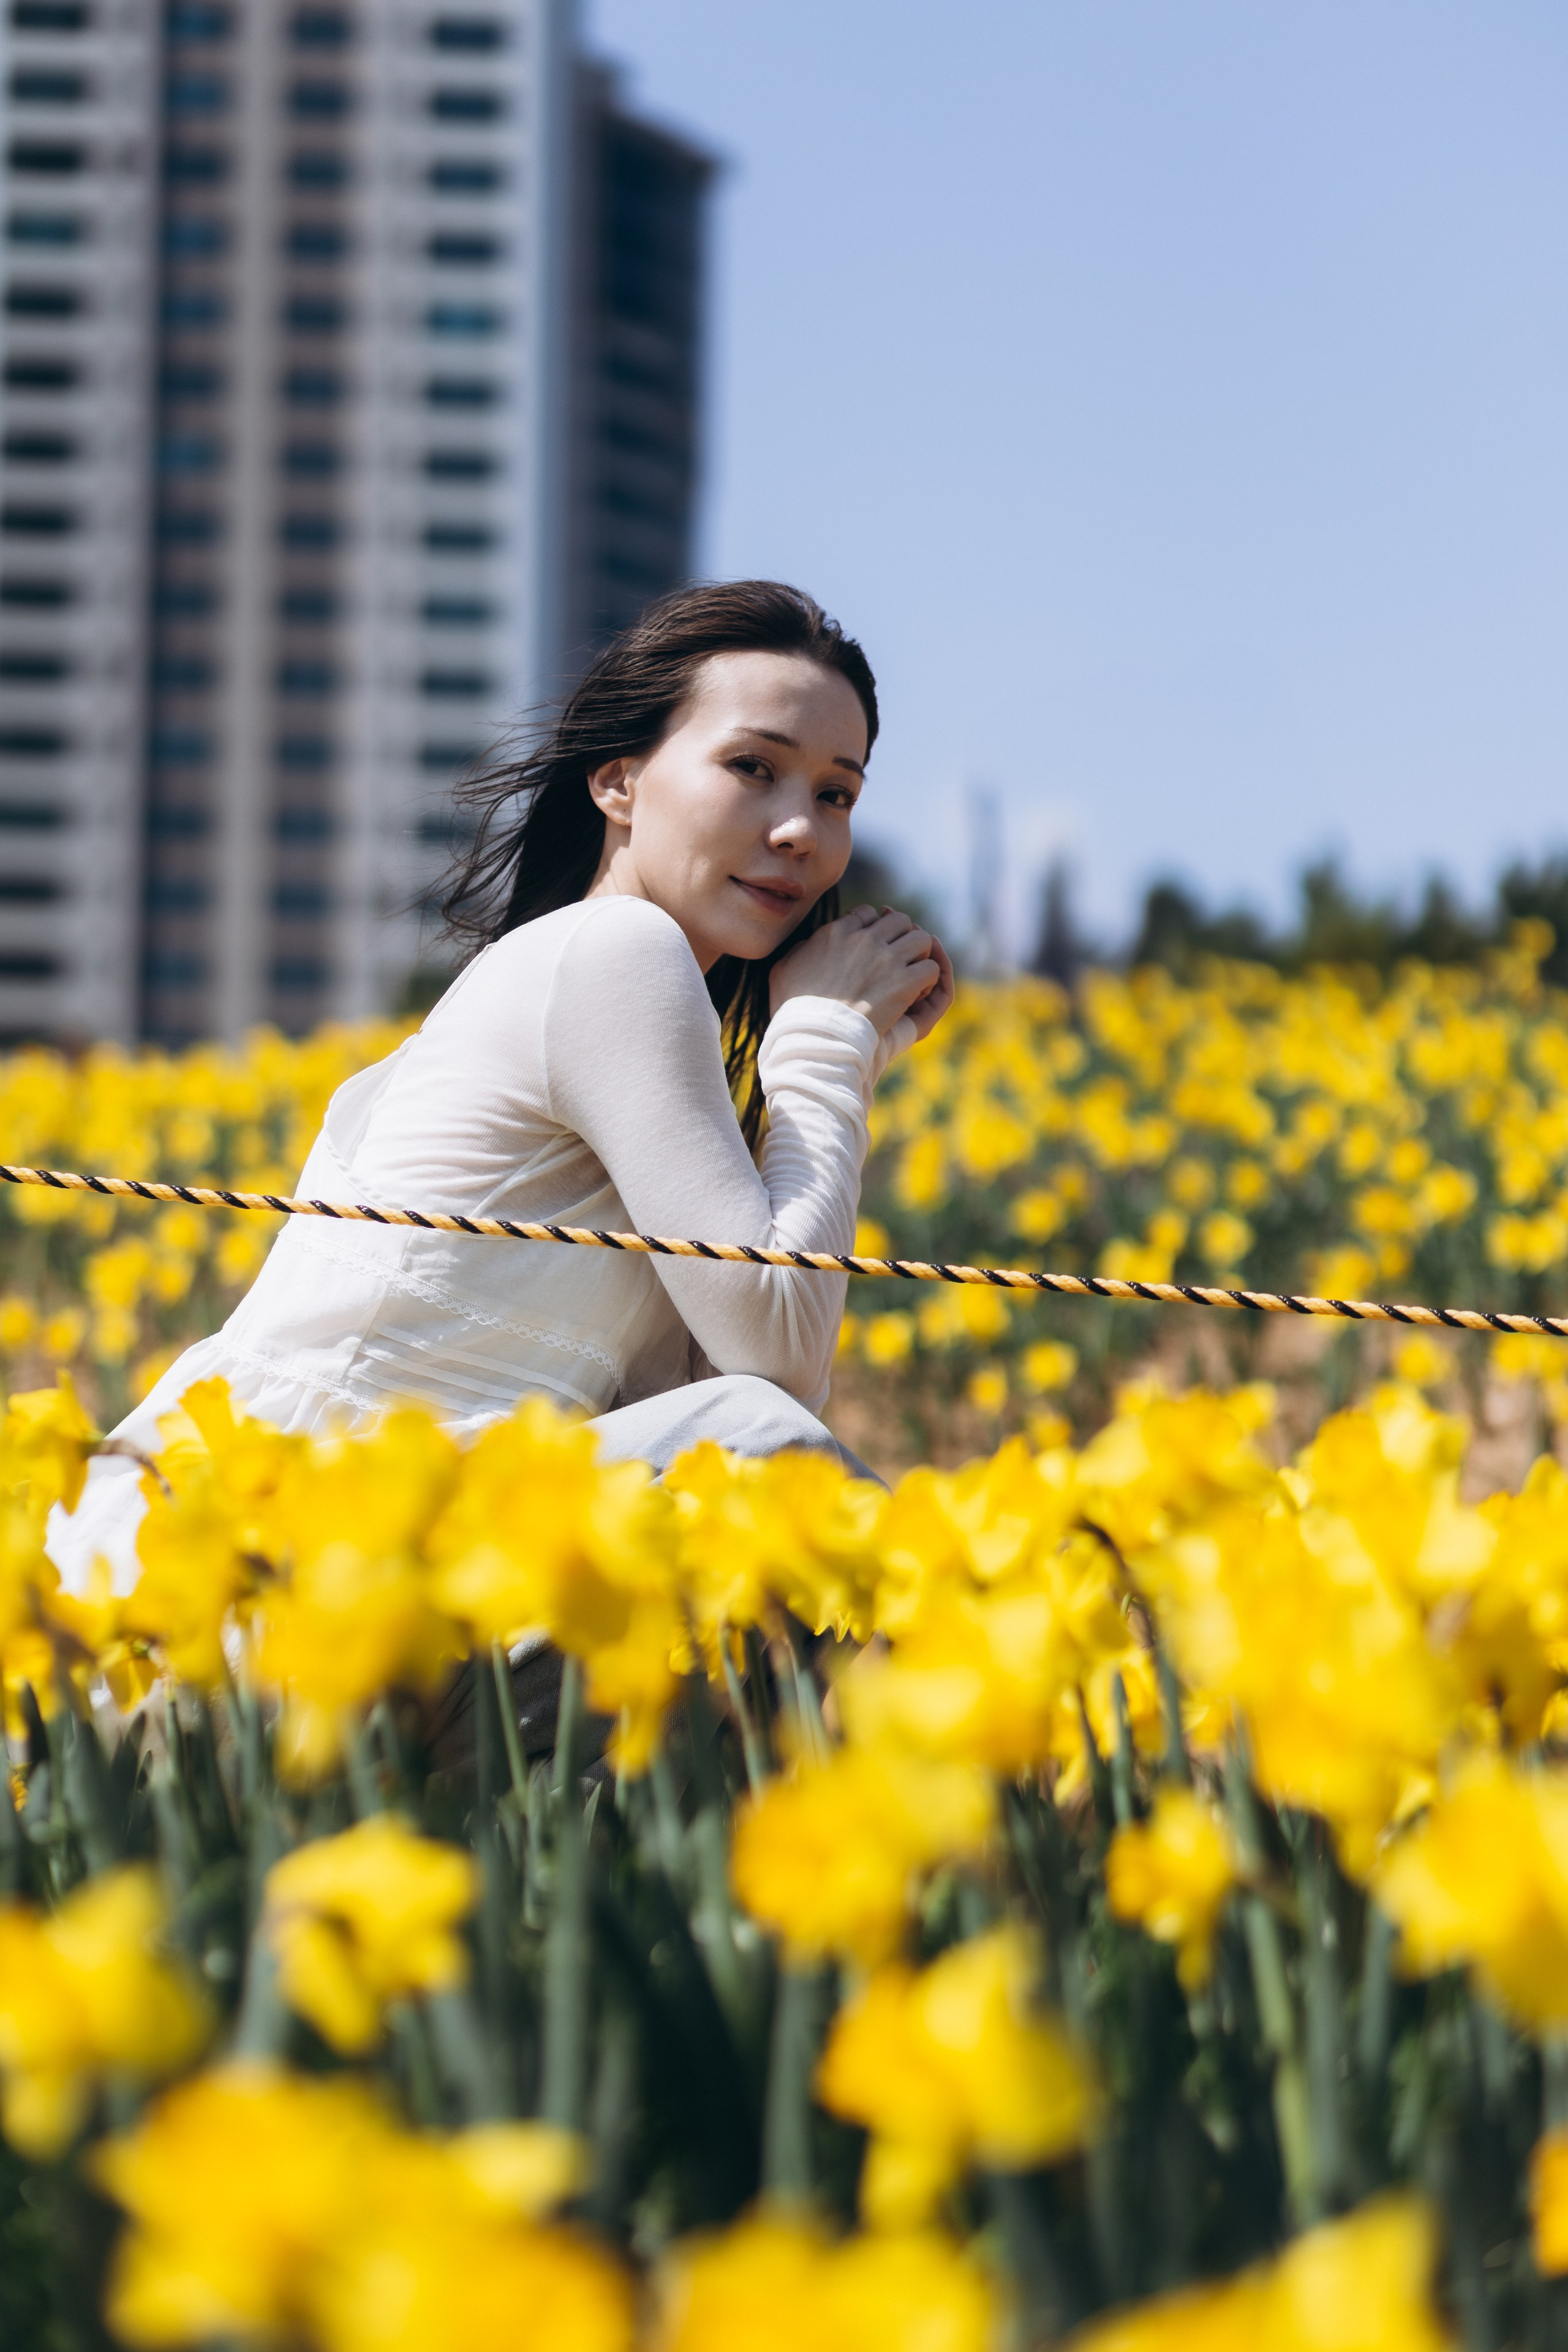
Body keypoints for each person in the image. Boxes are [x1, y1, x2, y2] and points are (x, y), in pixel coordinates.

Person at [50, 581, 954, 1593]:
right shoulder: (616, 951)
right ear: (618, 784)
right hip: (282, 1562)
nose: (802, 830)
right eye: (754, 768)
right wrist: (828, 1037)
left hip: (330, 1554)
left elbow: (741, 1373)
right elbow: (776, 1382)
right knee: (767, 1462)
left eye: (837, 793)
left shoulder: (629, 1002)